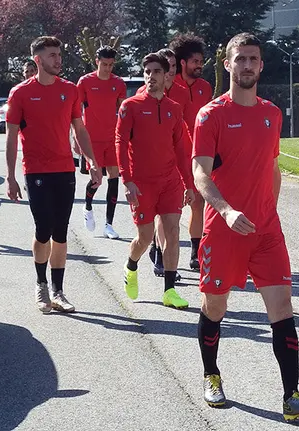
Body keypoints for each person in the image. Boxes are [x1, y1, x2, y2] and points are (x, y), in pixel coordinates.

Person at [192, 33, 299, 421]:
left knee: (282, 307)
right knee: (215, 305)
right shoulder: (211, 114)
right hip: (224, 228)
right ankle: (211, 374)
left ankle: (291, 396)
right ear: (228, 64)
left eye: (253, 59)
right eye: (240, 59)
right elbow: (200, 172)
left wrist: (271, 213)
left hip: (266, 232)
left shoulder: (272, 113)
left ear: (261, 66)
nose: (247, 65)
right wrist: (228, 211)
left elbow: (272, 167)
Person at [5, 36, 102, 313]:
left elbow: (79, 129)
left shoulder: (70, 90)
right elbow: (11, 137)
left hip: (64, 169)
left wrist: (91, 161)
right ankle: (41, 284)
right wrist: (10, 177)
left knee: (60, 231)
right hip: (36, 170)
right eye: (51, 55)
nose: (58, 59)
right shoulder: (20, 93)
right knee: (43, 229)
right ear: (38, 60)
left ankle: (58, 291)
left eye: (59, 54)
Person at [116, 52, 195, 310]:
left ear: (166, 75)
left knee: (172, 232)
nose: (151, 76)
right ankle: (131, 266)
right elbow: (120, 143)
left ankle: (169, 290)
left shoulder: (174, 109)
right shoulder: (130, 106)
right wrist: (127, 180)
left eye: (156, 72)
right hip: (142, 183)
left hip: (169, 182)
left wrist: (189, 184)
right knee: (145, 237)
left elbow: (182, 150)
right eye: (147, 72)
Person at [137, 48, 192, 279]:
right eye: (161, 68)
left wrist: (189, 171)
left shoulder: (181, 94)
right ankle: (155, 250)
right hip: (147, 175)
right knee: (153, 224)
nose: (166, 73)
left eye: (170, 67)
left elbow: (182, 131)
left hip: (172, 168)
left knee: (171, 221)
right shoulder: (142, 96)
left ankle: (164, 265)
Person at [169, 33, 213, 271]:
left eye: (201, 61)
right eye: (195, 61)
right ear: (183, 62)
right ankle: (161, 249)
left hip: (198, 157)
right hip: (171, 156)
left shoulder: (206, 87)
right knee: (170, 209)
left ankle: (195, 253)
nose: (200, 65)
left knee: (198, 204)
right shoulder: (169, 84)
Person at [77, 46, 127, 240]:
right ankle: (88, 206)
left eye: (111, 65)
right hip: (92, 139)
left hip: (112, 138)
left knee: (114, 177)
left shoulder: (119, 83)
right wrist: (75, 136)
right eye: (104, 64)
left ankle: (109, 224)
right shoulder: (85, 82)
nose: (108, 68)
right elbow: (75, 112)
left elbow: (123, 111)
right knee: (97, 179)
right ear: (97, 61)